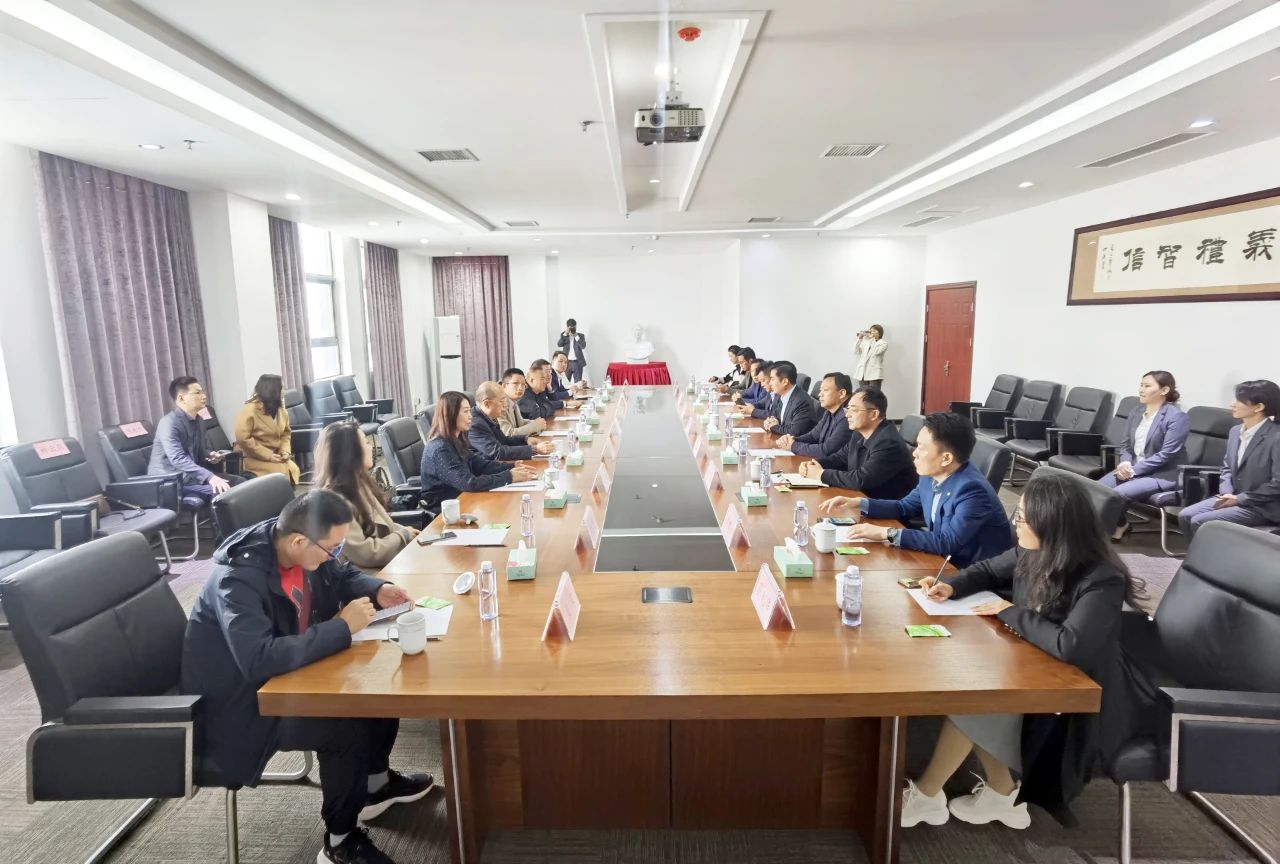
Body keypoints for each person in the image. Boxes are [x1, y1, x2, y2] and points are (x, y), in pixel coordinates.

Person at [181, 490, 434, 864]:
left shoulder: (299, 547)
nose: (335, 555)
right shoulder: (236, 581)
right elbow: (258, 660)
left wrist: (378, 589)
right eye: (332, 548)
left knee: (380, 686)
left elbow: (341, 573)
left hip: (285, 676)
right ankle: (340, 842)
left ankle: (375, 787)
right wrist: (341, 628)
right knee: (344, 725)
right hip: (241, 704)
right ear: (299, 541)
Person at [901, 471, 1149, 829]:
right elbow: (988, 570)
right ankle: (1000, 794)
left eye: (1023, 518)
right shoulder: (1034, 549)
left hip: (1081, 689)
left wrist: (1009, 612)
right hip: (1034, 660)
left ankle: (929, 795)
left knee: (975, 699)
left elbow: (1071, 646)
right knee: (974, 689)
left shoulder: (1100, 577)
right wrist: (951, 586)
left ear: (1052, 525)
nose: (1015, 523)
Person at [819, 412, 1013, 568]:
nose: (915, 453)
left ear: (946, 458)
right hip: (941, 561)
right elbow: (904, 506)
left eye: (921, 447)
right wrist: (859, 503)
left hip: (972, 572)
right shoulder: (931, 475)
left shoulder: (972, 490)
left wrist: (886, 533)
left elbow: (947, 542)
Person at [1177, 379, 1280, 538]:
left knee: (1200, 521)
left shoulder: (1276, 437)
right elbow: (1227, 468)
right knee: (1185, 515)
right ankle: (1200, 553)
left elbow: (1277, 484)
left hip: (1262, 506)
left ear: (1259, 407)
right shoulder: (1235, 431)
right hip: (1232, 497)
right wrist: (1226, 492)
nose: (1232, 404)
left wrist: (1239, 499)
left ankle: (1209, 554)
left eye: (1239, 400)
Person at [315, 421, 418, 570]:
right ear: (350, 452)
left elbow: (384, 524)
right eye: (366, 443)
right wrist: (403, 535)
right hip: (365, 574)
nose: (371, 448)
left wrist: (407, 531)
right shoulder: (334, 504)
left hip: (385, 564)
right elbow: (366, 555)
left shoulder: (359, 482)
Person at [1100, 371, 1189, 539]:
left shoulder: (1177, 417)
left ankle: (1101, 531)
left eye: (1147, 386)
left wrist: (1133, 471)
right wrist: (1125, 463)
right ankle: (1121, 524)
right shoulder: (1136, 412)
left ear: (1164, 390)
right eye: (1141, 385)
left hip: (1162, 474)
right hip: (1134, 468)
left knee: (1117, 494)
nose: (1141, 389)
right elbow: (1126, 445)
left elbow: (1166, 455)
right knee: (1098, 489)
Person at [419, 392, 539, 511]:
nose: (470, 416)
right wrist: (508, 476)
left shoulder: (456, 439)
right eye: (466, 411)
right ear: (451, 415)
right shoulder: (440, 449)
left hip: (463, 500)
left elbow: (480, 465)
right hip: (445, 511)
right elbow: (468, 483)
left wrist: (512, 466)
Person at [802, 386, 917, 498]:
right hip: (861, 499)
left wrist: (820, 474)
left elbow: (861, 479)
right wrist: (814, 464)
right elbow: (839, 458)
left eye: (854, 410)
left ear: (874, 414)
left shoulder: (889, 442)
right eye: (847, 409)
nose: (847, 414)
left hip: (886, 507)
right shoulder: (858, 433)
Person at [150, 376, 245, 502]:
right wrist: (210, 477)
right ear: (181, 398)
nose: (204, 396)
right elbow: (178, 459)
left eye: (202, 392)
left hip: (191, 476)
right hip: (171, 481)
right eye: (198, 393)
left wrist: (210, 455)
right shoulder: (169, 423)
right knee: (222, 491)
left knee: (240, 482)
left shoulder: (199, 420)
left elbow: (199, 450)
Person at [234, 373, 301, 485]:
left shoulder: (280, 410)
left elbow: (286, 433)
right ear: (272, 391)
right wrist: (268, 455)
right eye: (281, 388)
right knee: (279, 475)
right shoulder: (249, 410)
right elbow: (242, 439)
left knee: (292, 469)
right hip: (255, 458)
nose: (283, 391)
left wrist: (285, 451)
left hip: (277, 456)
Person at [776, 372, 853, 462]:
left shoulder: (848, 418)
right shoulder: (829, 412)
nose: (820, 394)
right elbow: (813, 436)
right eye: (820, 390)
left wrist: (793, 445)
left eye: (825, 390)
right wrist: (790, 439)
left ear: (842, 393)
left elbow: (826, 450)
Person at [471, 381, 555, 461]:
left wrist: (525, 440)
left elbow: (503, 440)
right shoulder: (475, 423)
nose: (505, 405)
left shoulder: (488, 416)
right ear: (487, 403)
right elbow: (497, 452)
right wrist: (535, 449)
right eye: (502, 401)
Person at [761, 361, 818, 437]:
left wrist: (773, 427)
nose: (770, 383)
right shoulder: (782, 395)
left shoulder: (801, 401)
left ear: (785, 382)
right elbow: (775, 415)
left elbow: (794, 431)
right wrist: (770, 421)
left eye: (772, 379)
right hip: (783, 439)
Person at [497, 368, 546, 437]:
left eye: (523, 384)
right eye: (515, 384)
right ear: (504, 386)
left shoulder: (513, 401)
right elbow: (508, 434)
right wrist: (534, 426)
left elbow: (520, 423)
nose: (520, 388)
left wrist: (536, 423)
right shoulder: (499, 404)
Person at [854, 325, 888, 389]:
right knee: (863, 393)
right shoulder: (866, 342)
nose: (872, 332)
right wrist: (860, 339)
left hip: (874, 373)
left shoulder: (883, 343)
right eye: (871, 331)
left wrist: (872, 340)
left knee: (874, 393)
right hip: (862, 373)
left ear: (880, 332)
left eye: (874, 331)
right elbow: (856, 351)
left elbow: (876, 352)